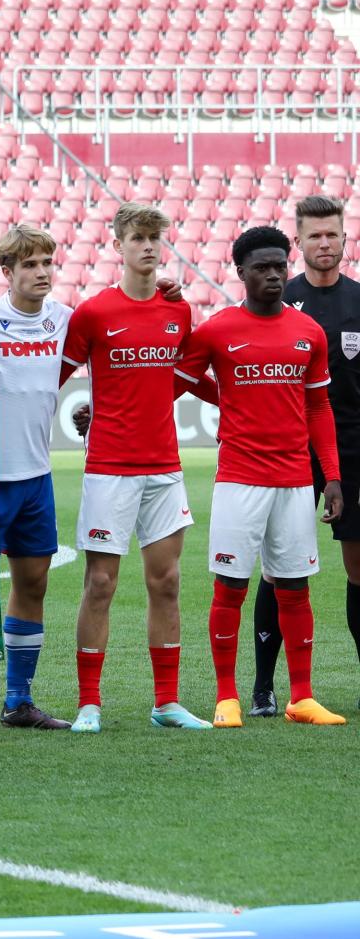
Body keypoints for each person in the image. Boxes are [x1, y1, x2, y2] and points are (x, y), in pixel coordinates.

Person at [177, 227, 347, 728]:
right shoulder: (216, 330)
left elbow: (318, 406)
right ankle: (227, 697)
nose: (273, 274)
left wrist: (332, 476)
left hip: (296, 480)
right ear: (241, 272)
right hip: (239, 479)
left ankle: (301, 697)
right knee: (230, 586)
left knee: (295, 588)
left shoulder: (308, 332)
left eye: (280, 265)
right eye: (262, 267)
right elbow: (175, 383)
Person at [59, 203, 213, 732]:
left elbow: (188, 375)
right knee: (101, 582)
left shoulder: (179, 311)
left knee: (166, 581)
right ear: (118, 246)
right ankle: (88, 704)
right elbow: (52, 378)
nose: (148, 246)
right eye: (138, 238)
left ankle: (166, 703)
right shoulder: (94, 313)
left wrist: (237, 401)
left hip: (164, 468)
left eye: (155, 238)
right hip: (109, 466)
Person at [0, 225, 75, 732]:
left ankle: (17, 700)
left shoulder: (64, 319)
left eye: (47, 263)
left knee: (33, 583)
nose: (41, 273)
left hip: (37, 476)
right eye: (30, 265)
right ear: (6, 272)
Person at [250, 196, 360, 716]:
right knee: (279, 571)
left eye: (332, 234)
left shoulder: (359, 301)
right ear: (299, 242)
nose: (324, 243)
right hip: (290, 454)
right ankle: (264, 688)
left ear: (343, 239)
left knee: (358, 567)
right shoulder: (278, 299)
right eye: (314, 235)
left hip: (355, 453)